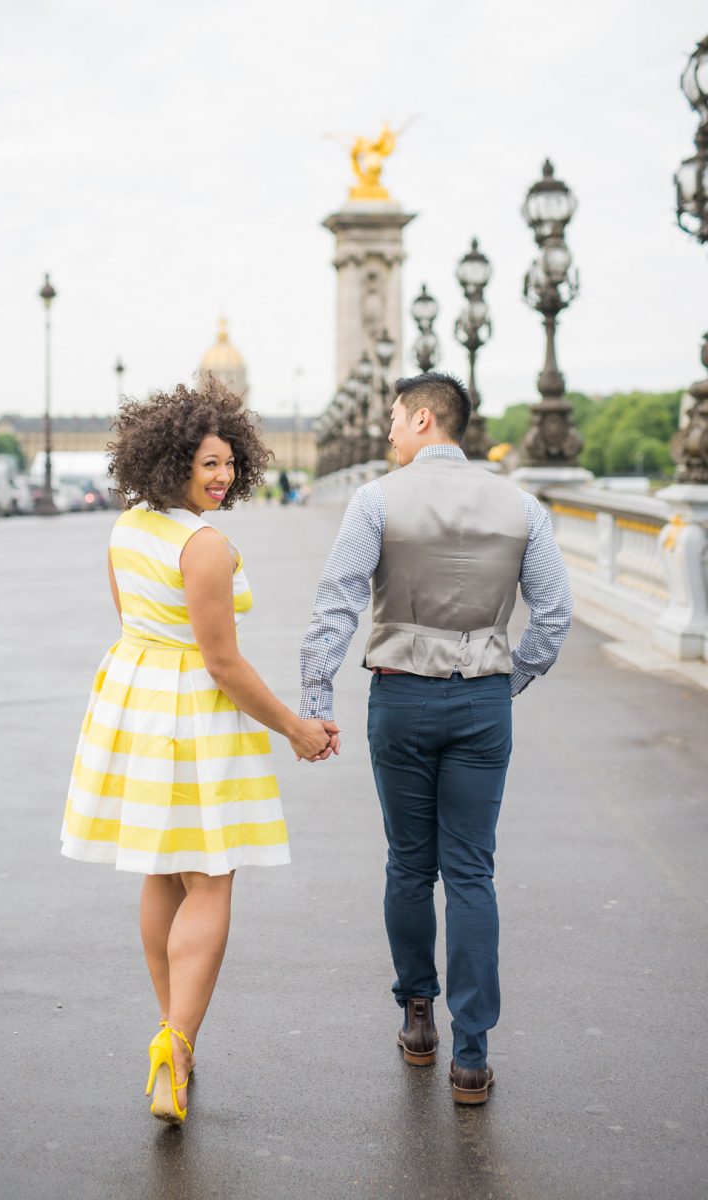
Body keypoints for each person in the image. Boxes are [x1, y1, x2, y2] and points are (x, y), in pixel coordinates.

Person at [61, 380, 338, 1126]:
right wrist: (294, 726)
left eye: (228, 463)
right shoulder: (204, 545)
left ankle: (171, 1034)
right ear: (172, 461)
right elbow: (221, 662)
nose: (221, 477)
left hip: (135, 705)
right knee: (210, 880)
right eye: (207, 464)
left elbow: (135, 622)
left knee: (161, 870)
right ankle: (177, 1043)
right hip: (195, 718)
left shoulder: (128, 527)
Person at [299, 371, 572, 1105]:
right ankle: (472, 1057)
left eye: (395, 417)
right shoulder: (522, 505)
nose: (388, 430)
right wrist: (507, 680)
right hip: (483, 700)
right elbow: (553, 614)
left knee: (409, 865)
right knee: (473, 873)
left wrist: (317, 696)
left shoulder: (375, 501)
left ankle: (418, 1016)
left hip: (402, 699)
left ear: (423, 419)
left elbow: (337, 602)